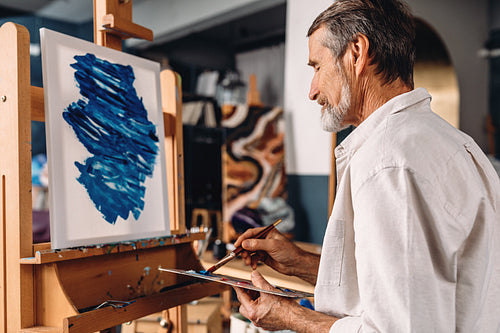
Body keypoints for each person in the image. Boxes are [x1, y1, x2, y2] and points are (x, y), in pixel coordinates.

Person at [232, 0, 500, 332]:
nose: (312, 91)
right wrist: (300, 264)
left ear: (356, 53)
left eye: (316, 67)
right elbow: (415, 283)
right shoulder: (454, 143)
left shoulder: (387, 163)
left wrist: (289, 316)